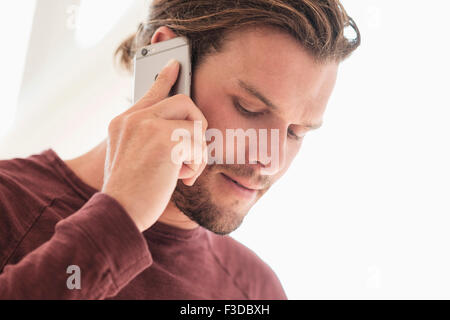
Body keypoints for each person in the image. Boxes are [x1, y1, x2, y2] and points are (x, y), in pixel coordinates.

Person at [0, 0, 360, 299]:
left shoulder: (255, 291)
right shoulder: (9, 204)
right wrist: (118, 218)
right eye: (250, 108)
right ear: (164, 63)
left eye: (297, 132)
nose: (271, 161)